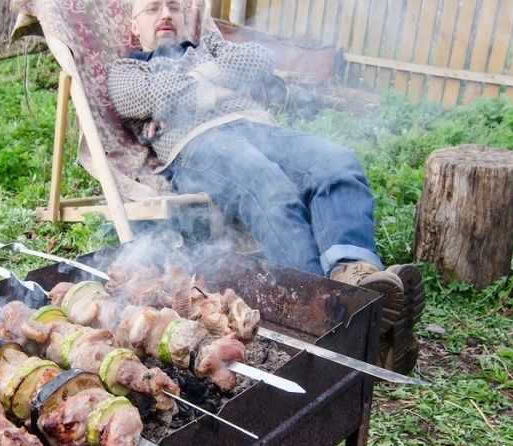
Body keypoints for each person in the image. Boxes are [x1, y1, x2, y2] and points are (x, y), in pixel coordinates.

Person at [108, 0, 424, 371]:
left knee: (337, 161)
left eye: (174, 7)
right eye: (152, 9)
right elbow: (136, 97)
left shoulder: (207, 46)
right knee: (267, 187)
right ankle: (331, 313)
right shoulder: (128, 68)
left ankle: (354, 274)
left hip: (259, 126)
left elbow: (258, 61)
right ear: (133, 27)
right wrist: (215, 85)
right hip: (199, 143)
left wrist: (194, 85)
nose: (165, 14)